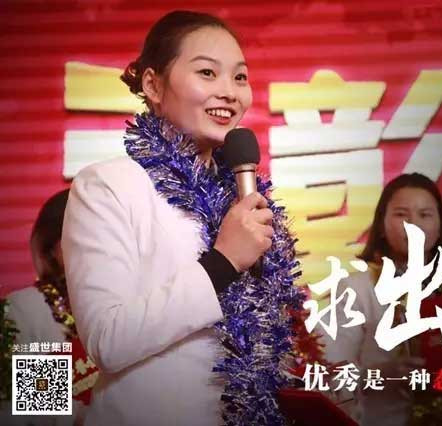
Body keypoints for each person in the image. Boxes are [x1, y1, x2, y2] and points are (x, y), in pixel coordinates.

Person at [62, 11, 300, 426]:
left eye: (240, 77)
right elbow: (103, 343)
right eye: (207, 72)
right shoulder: (108, 185)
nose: (229, 92)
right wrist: (222, 263)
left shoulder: (241, 199)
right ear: (153, 85)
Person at [322, 173, 442, 426]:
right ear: (381, 225)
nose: (414, 225)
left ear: (440, 226)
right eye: (401, 214)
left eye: (425, 215)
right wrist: (384, 375)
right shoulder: (356, 288)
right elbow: (329, 376)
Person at [2, 189, 89, 426]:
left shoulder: (133, 303)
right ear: (52, 249)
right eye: (82, 236)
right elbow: (33, 403)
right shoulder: (29, 308)